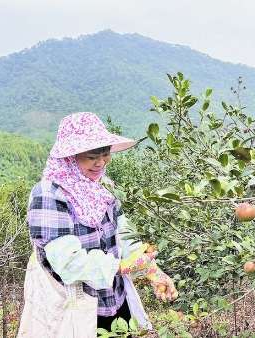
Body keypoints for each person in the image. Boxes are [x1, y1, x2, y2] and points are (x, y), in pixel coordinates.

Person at [26, 112, 178, 333]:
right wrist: (122, 266)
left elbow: (124, 234)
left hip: (115, 301)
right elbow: (67, 263)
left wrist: (152, 272)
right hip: (77, 309)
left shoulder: (104, 186)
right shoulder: (49, 195)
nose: (100, 163)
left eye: (105, 154)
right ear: (70, 156)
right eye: (92, 156)